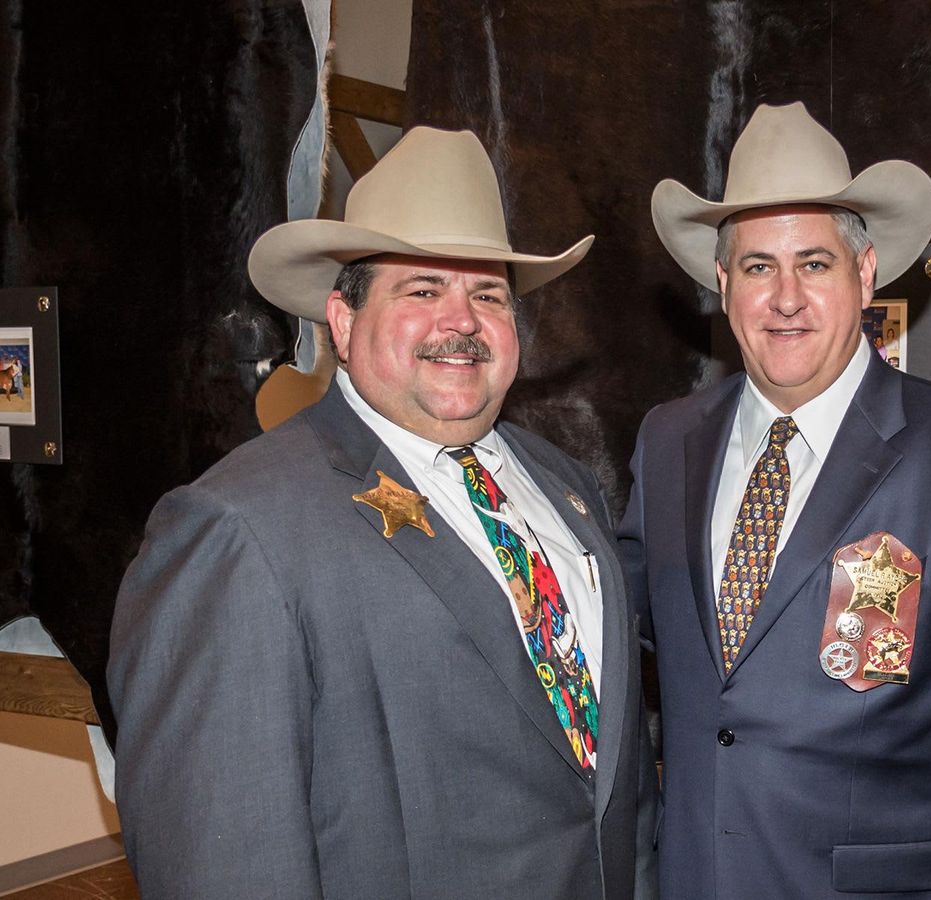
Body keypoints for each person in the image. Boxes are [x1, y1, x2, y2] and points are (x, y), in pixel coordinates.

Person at [109, 126, 657, 899]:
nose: (461, 321)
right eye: (423, 290)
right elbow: (221, 856)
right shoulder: (238, 527)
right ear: (342, 320)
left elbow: (607, 780)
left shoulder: (567, 485)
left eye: (488, 294)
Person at [618, 102, 931, 898]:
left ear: (865, 273)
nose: (786, 297)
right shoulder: (667, 441)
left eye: (815, 264)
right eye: (759, 266)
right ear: (723, 284)